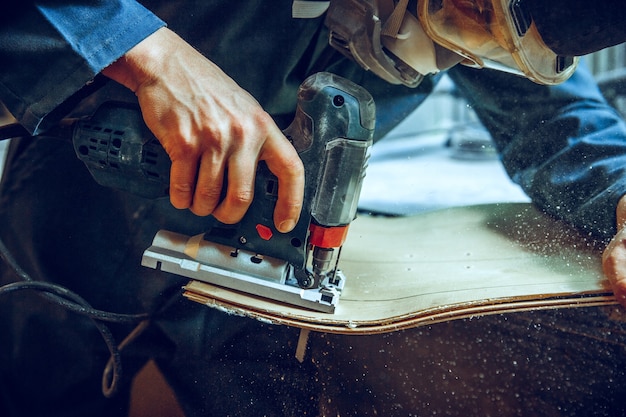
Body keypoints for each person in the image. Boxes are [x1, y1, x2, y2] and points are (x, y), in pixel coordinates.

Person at [1, 1, 626, 416]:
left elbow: (562, 119)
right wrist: (146, 54)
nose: (462, 42)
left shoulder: (505, 15)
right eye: (465, 13)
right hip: (78, 215)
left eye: (491, 41)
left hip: (261, 265)